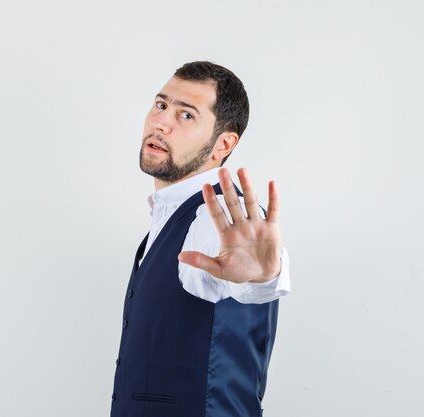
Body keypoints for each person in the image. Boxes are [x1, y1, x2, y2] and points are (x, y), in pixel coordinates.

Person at [110, 61, 290, 417]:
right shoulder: (164, 219)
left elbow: (251, 279)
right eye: (161, 105)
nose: (161, 122)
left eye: (186, 115)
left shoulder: (218, 214)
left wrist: (263, 276)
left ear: (223, 143)